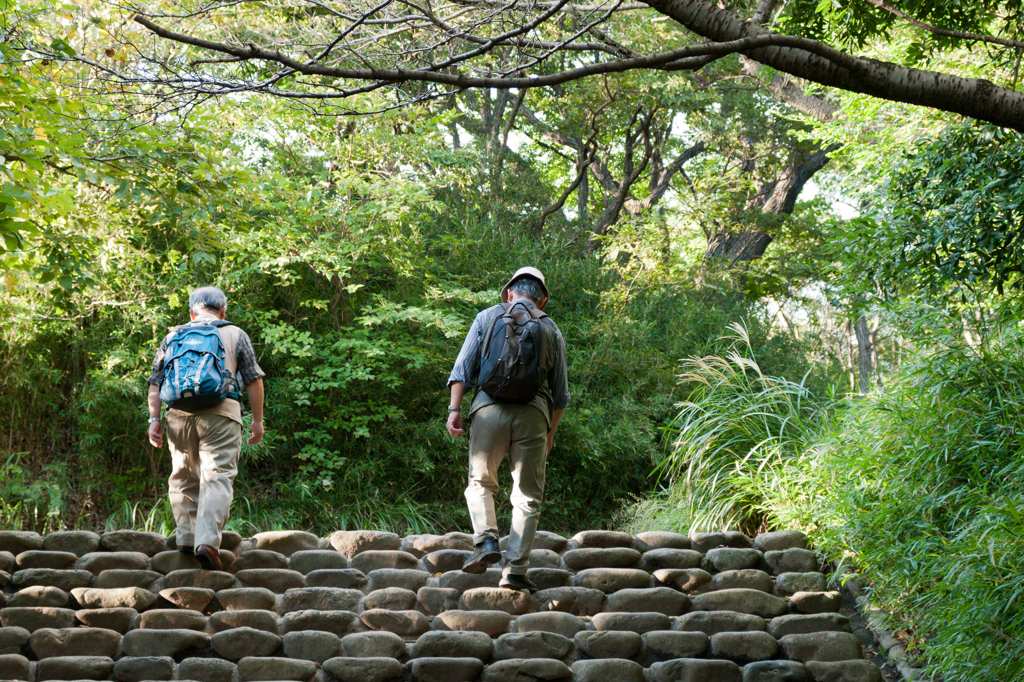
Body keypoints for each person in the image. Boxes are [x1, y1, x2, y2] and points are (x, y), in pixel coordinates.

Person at [446, 267, 569, 592]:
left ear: (510, 292)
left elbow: (462, 369)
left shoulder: (487, 317)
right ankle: (514, 572)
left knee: (480, 483)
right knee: (527, 497)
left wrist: (454, 410)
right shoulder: (551, 328)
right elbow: (561, 394)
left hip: (488, 410)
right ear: (542, 299)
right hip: (534, 415)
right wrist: (550, 433)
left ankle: (486, 542)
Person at [146, 286, 265, 570]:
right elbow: (253, 379)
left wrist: (154, 419)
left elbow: (155, 382)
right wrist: (258, 421)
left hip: (178, 415)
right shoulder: (235, 333)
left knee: (183, 476)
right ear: (223, 310)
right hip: (221, 413)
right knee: (217, 476)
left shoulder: (172, 335)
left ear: (191, 312)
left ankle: (186, 538)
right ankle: (207, 542)